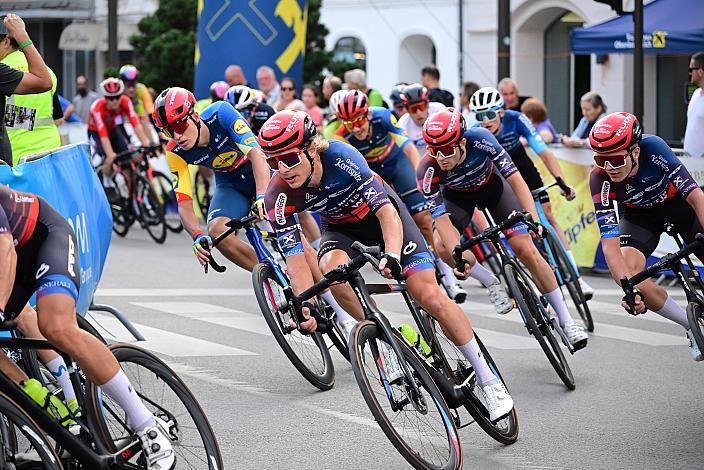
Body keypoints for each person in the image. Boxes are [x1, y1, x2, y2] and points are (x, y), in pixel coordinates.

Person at [260, 110, 514, 421]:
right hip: (341, 231)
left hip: (385, 219)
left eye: (288, 158)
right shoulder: (278, 196)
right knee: (331, 272)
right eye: (273, 161)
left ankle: (489, 381)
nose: (282, 169)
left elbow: (386, 213)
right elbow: (295, 258)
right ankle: (389, 340)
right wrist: (305, 305)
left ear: (312, 148)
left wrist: (392, 255)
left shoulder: (341, 156)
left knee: (429, 296)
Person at [0, 184, 175, 468]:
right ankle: (44, 402)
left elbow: (4, 250)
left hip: (44, 238)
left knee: (56, 327)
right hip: (15, 257)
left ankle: (147, 425)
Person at [417, 108, 589, 349]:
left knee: (525, 249)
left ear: (462, 142)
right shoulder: (427, 170)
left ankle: (567, 321)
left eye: (447, 149)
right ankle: (491, 282)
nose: (441, 157)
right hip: (458, 199)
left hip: (494, 189)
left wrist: (532, 219)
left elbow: (515, 178)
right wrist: (457, 253)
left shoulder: (481, 139)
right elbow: (441, 217)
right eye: (434, 150)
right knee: (441, 246)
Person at [588, 112, 703, 361]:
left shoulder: (653, 148)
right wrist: (630, 291)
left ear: (635, 152)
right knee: (630, 275)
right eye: (601, 160)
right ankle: (691, 327)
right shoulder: (599, 178)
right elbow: (610, 246)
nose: (609, 168)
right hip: (640, 218)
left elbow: (695, 196)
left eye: (616, 160)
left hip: (678, 205)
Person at [471, 86, 594, 298]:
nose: (485, 120)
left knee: (548, 217)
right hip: (502, 181)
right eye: (480, 116)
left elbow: (544, 152)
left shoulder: (516, 119)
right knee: (519, 232)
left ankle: (576, 278)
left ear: (501, 112)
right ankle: (531, 277)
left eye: (490, 114)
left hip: (524, 170)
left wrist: (562, 182)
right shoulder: (476, 131)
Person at [396, 83, 468, 303]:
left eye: (421, 107)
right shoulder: (403, 124)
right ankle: (449, 279)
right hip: (423, 173)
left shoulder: (439, 110)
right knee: (427, 223)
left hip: (448, 165)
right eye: (413, 109)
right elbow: (408, 154)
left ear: (428, 103)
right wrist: (421, 181)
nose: (418, 113)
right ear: (406, 109)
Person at [1, 26, 62, 165]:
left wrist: (21, 120)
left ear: (6, 42)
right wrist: (32, 121)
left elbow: (8, 118)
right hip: (50, 149)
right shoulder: (46, 72)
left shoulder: (3, 70)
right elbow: (59, 118)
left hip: (16, 153)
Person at [88, 78, 151, 190]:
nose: (114, 101)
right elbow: (103, 135)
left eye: (117, 97)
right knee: (109, 157)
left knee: (127, 157)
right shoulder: (97, 107)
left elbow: (136, 124)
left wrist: (145, 142)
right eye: (111, 98)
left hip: (113, 129)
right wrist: (111, 155)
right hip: (96, 132)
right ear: (105, 97)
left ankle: (132, 195)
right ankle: (107, 182)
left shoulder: (126, 101)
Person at [119, 64, 154, 131]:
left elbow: (150, 111)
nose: (131, 89)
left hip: (140, 123)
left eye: (133, 84)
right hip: (124, 123)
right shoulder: (118, 92)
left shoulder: (141, 88)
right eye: (127, 85)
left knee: (139, 104)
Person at [684, 51, 704, 157]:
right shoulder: (696, 94)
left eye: (691, 69)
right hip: (690, 161)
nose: (690, 73)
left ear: (701, 71)